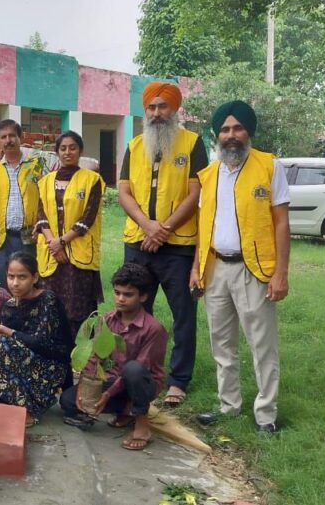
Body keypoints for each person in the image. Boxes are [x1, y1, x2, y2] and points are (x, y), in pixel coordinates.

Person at [191, 100, 291, 435]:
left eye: (237, 128)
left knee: (262, 344)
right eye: (224, 130)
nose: (230, 135)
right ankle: (228, 405)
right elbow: (203, 227)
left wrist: (280, 273)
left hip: (255, 269)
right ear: (216, 135)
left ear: (249, 131)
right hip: (216, 268)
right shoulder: (208, 175)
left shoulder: (269, 167)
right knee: (222, 343)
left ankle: (266, 415)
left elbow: (281, 223)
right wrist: (196, 268)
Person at [117, 81, 208, 408]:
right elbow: (124, 192)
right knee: (134, 310)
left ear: (175, 109)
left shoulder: (192, 143)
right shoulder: (134, 145)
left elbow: (196, 192)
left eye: (162, 106)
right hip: (137, 241)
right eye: (151, 107)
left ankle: (178, 380)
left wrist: (163, 229)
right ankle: (136, 370)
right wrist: (147, 226)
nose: (156, 113)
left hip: (178, 246)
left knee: (183, 314)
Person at [60, 263, 169, 451]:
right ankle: (125, 410)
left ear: (143, 296)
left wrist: (107, 394)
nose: (120, 299)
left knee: (133, 369)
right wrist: (85, 388)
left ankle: (141, 424)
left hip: (141, 384)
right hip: (113, 381)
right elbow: (94, 356)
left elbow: (142, 367)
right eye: (117, 293)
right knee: (68, 401)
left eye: (128, 295)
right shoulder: (107, 320)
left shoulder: (154, 329)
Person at [0, 252, 74, 427]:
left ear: (35, 277)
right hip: (23, 365)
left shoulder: (47, 300)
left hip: (51, 366)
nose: (15, 283)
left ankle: (28, 409)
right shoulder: (9, 306)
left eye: (22, 277)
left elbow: (41, 343)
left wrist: (3, 330)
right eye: (11, 277)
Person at [35, 131, 105, 335]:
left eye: (72, 148)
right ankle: (53, 347)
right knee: (51, 305)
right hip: (51, 254)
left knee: (79, 308)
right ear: (57, 152)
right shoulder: (45, 181)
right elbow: (41, 216)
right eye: (63, 148)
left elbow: (87, 218)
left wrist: (62, 242)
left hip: (79, 254)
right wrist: (53, 245)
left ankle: (81, 350)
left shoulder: (92, 180)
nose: (68, 152)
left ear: (80, 151)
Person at [0, 119, 41, 285]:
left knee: (28, 283)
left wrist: (41, 226)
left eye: (12, 135)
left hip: (29, 237)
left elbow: (44, 201)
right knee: (3, 284)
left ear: (20, 137)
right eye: (3, 137)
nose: (8, 140)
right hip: (2, 240)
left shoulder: (36, 167)